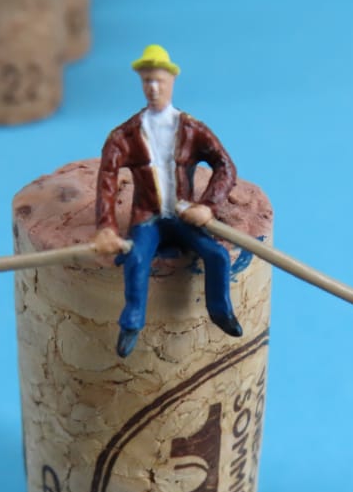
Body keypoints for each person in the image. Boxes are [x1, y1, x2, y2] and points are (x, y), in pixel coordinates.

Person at [93, 44, 243, 357]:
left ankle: (221, 312)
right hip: (147, 217)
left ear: (172, 81)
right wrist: (106, 227)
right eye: (147, 81)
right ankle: (131, 323)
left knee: (217, 255)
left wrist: (208, 206)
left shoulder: (192, 130)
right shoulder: (125, 136)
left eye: (159, 81)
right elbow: (107, 178)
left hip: (184, 216)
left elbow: (225, 166)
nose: (153, 88)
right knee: (136, 258)